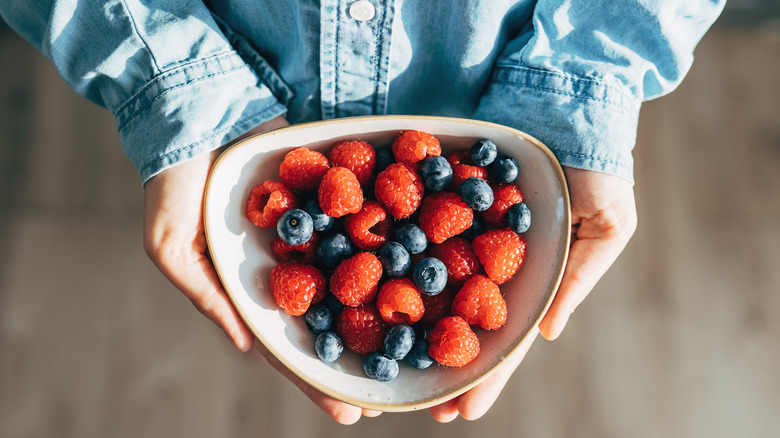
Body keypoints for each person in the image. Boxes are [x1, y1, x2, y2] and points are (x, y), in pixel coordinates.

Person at [1, 0, 724, 424]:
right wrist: (171, 80)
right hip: (226, 71)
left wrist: (582, 85)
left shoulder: (403, 256)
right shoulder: (382, 249)